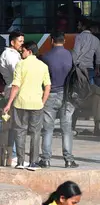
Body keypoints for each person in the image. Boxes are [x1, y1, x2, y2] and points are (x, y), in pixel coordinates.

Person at [2, 42, 51, 171]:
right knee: (35, 133)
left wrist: (9, 103)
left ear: (29, 51)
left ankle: (20, 161)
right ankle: (33, 163)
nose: (21, 53)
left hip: (20, 104)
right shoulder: (43, 66)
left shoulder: (21, 65)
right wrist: (43, 102)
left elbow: (16, 86)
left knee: (20, 131)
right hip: (37, 104)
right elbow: (47, 86)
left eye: (22, 51)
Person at [40, 32, 78, 169]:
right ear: (64, 40)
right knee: (66, 129)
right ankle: (68, 160)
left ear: (51, 40)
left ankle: (46, 160)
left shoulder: (45, 57)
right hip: (67, 96)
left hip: (50, 95)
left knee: (47, 129)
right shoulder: (70, 55)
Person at [0, 31, 24, 166]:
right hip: (12, 90)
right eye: (19, 41)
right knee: (14, 124)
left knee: (14, 124)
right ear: (12, 42)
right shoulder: (9, 55)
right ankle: (13, 154)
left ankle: (13, 153)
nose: (22, 44)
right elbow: (18, 73)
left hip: (13, 89)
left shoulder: (14, 54)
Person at [72, 19, 100, 85]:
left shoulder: (79, 37)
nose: (78, 27)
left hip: (80, 68)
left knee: (80, 88)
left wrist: (74, 65)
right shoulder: (96, 39)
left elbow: (76, 52)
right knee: (90, 88)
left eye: (79, 25)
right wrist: (97, 68)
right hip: (90, 67)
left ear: (84, 26)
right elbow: (99, 56)